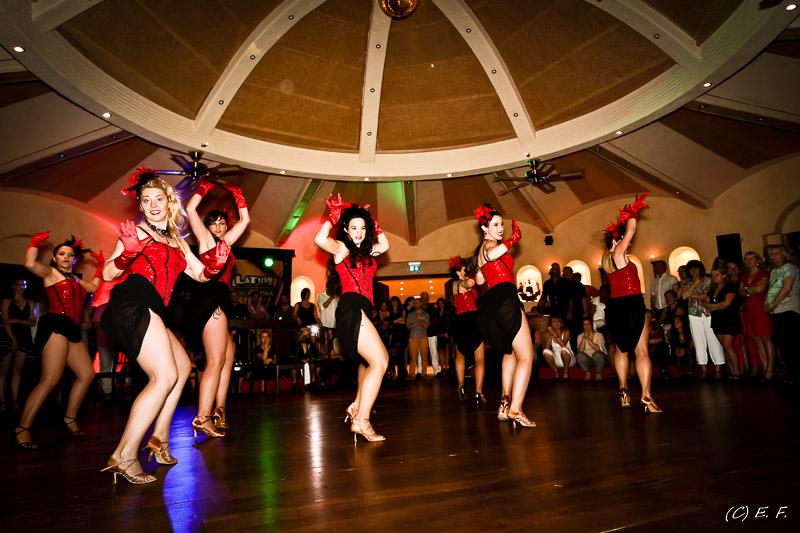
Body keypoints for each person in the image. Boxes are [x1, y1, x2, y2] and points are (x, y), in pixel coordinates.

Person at [101, 169, 230, 484]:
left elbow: (199, 274)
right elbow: (107, 274)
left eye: (158, 198)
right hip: (133, 302)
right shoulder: (136, 233)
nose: (153, 204)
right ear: (141, 206)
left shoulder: (177, 240)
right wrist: (126, 256)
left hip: (154, 309)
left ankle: (158, 439)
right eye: (146, 200)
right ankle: (124, 455)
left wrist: (214, 266)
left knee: (182, 368)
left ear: (169, 202)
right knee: (164, 376)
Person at [13, 235, 102, 449]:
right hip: (55, 324)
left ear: (75, 260)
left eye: (70, 255)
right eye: (61, 253)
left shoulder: (75, 280)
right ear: (54, 258)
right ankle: (22, 428)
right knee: (50, 378)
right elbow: (29, 263)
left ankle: (69, 418)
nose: (66, 257)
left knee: (86, 374)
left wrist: (100, 266)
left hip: (71, 328)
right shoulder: (50, 273)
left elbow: (92, 288)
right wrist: (35, 243)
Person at [314, 194, 389, 442]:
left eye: (363, 228)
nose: (359, 232)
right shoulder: (342, 248)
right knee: (380, 362)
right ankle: (361, 421)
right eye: (354, 227)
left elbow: (385, 245)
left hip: (363, 310)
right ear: (346, 230)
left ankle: (357, 406)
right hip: (351, 307)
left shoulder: (367, 251)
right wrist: (334, 216)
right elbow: (319, 239)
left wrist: (373, 221)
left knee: (370, 362)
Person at [185, 179, 250, 436]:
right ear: (208, 226)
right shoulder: (205, 239)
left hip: (219, 301)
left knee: (227, 357)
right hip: (209, 299)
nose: (219, 227)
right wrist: (204, 188)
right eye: (214, 223)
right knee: (215, 361)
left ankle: (219, 410)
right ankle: (202, 417)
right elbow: (190, 210)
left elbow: (245, 221)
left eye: (222, 223)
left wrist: (238, 194)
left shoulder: (226, 243)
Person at [473, 204, 535, 428]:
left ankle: (505, 400)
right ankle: (516, 409)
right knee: (527, 355)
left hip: (491, 303)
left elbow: (479, 280)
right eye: (495, 225)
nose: (500, 228)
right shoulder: (491, 246)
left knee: (511, 351)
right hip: (505, 298)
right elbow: (493, 254)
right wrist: (513, 239)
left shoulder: (480, 251)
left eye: (502, 225)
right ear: (484, 228)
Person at [600, 193, 660, 413]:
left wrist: (623, 220)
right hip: (631, 304)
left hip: (614, 306)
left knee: (621, 348)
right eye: (624, 239)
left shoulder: (604, 258)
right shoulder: (619, 253)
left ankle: (623, 390)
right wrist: (634, 211)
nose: (629, 242)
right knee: (641, 350)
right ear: (617, 239)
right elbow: (632, 230)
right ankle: (646, 396)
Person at [449, 256, 486, 403]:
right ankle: (472, 390)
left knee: (468, 357)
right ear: (458, 271)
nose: (468, 271)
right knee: (472, 357)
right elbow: (470, 283)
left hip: (465, 320)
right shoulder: (459, 283)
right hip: (467, 321)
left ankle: (468, 389)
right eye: (465, 268)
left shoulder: (456, 284)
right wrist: (474, 271)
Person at [681, 259, 724, 379]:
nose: (694, 271)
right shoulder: (686, 282)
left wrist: (691, 295)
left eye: (696, 268)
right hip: (694, 313)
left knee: (713, 338)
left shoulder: (708, 279)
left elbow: (706, 295)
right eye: (691, 269)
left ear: (700, 268)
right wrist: (694, 284)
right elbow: (683, 296)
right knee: (698, 340)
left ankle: (718, 367)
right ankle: (703, 368)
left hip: (708, 312)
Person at [0, 278, 36, 413]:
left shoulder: (30, 302)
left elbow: (32, 322)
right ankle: (2, 401)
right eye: (19, 285)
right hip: (8, 336)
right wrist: (13, 340)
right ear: (13, 286)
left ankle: (14, 399)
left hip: (24, 337)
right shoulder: (6, 301)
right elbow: (5, 321)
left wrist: (15, 320)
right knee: (4, 370)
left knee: (18, 369)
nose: (22, 287)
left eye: (24, 284)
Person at [765, 245, 799, 382]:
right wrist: (766, 303)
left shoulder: (789, 267)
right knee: (783, 344)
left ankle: (796, 373)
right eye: (771, 254)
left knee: (792, 343)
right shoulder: (774, 271)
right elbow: (771, 288)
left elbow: (787, 288)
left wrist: (773, 304)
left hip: (788, 308)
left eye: (777, 253)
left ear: (784, 254)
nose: (774, 256)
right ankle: (789, 372)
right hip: (777, 311)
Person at [739, 251, 774, 380]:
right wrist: (749, 290)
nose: (749, 261)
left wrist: (747, 290)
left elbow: (760, 289)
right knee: (757, 339)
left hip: (761, 308)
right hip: (749, 309)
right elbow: (740, 293)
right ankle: (764, 368)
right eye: (746, 259)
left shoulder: (764, 273)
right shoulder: (744, 276)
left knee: (766, 338)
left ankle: (770, 369)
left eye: (752, 258)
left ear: (758, 260)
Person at [705, 267, 742, 379]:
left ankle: (737, 371)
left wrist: (713, 306)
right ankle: (732, 371)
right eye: (713, 275)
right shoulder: (713, 289)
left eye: (717, 274)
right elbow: (705, 304)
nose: (714, 277)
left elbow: (726, 303)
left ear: (724, 275)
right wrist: (717, 306)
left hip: (729, 319)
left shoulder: (730, 287)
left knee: (728, 345)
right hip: (717, 319)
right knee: (724, 346)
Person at [542, 316, 574, 380]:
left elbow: (563, 345)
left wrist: (554, 334)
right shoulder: (548, 334)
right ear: (551, 324)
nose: (556, 324)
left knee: (563, 350)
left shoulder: (566, 332)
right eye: (554, 322)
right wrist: (550, 336)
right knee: (545, 351)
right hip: (556, 360)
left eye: (558, 322)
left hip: (569, 360)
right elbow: (547, 347)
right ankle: (556, 371)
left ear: (561, 323)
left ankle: (566, 372)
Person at [406, 298, 430, 379]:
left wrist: (421, 319)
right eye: (414, 303)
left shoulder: (426, 314)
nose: (415, 304)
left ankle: (424, 373)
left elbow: (426, 326)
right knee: (413, 357)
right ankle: (412, 374)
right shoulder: (410, 315)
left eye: (417, 303)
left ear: (421, 304)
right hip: (413, 336)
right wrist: (417, 323)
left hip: (423, 336)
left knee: (424, 356)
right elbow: (408, 326)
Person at [317, 282, 339, 357]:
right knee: (324, 343)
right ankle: (323, 358)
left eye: (333, 288)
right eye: (330, 288)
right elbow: (322, 307)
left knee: (333, 346)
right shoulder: (321, 296)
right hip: (325, 325)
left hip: (334, 325)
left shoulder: (337, 298)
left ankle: (332, 359)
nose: (331, 289)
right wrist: (331, 298)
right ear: (326, 288)